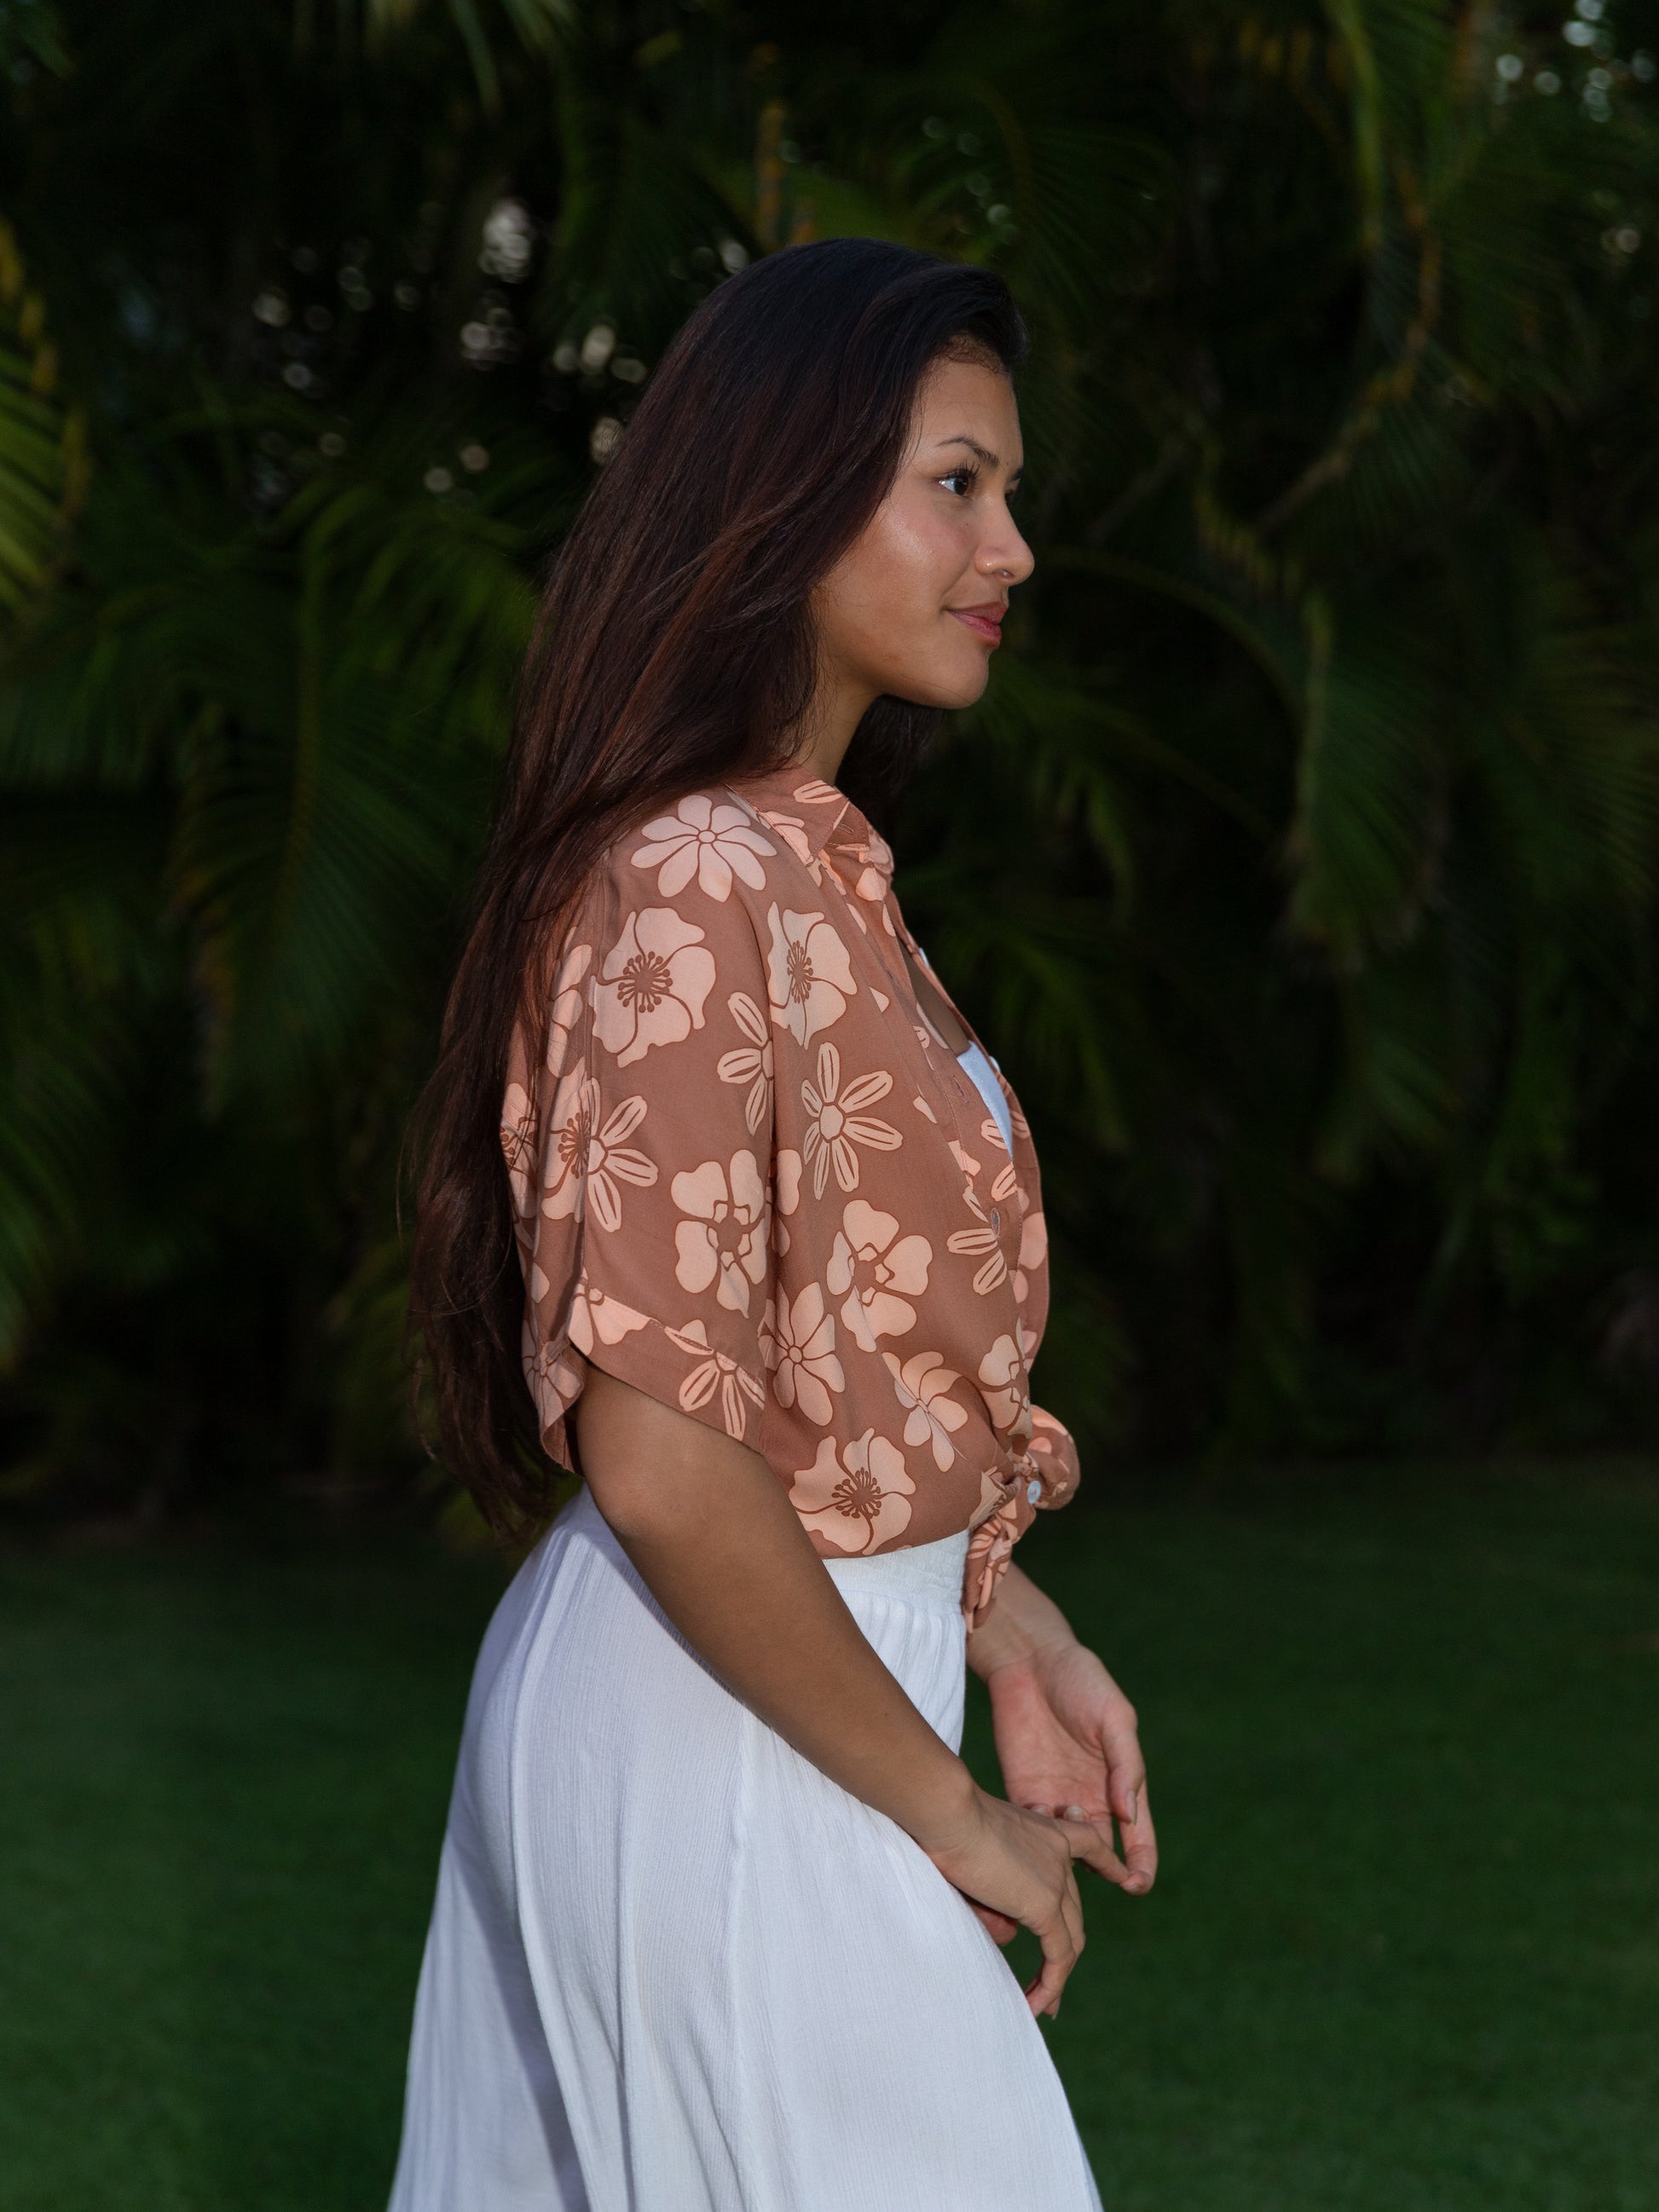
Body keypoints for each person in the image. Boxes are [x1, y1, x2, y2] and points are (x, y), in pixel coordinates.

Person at [392, 236, 1157, 2212]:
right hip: (728, 1744)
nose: (1013, 545)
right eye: (957, 482)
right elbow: (662, 1457)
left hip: (765, 1700)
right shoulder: (697, 871)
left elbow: (828, 1383)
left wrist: (1005, 1617)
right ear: (786, 489)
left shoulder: (799, 862)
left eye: (1009, 488)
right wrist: (952, 1814)